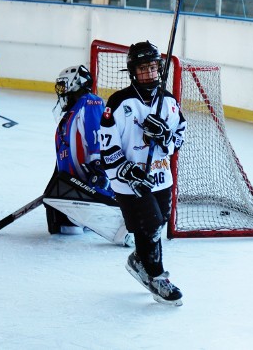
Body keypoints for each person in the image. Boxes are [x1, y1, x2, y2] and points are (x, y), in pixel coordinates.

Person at [99, 40, 186, 306]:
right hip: (130, 181)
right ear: (132, 71)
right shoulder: (119, 102)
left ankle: (140, 260)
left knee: (157, 225)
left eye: (152, 67)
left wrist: (164, 135)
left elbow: (179, 136)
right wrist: (125, 168)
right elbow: (105, 144)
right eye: (142, 68)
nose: (148, 74)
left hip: (160, 176)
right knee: (149, 223)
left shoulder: (167, 101)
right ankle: (156, 276)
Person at [46, 65, 132, 245]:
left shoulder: (90, 101)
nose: (60, 91)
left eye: (63, 85)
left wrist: (98, 168)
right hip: (71, 186)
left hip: (88, 185)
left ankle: (118, 218)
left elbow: (97, 135)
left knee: (70, 228)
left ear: (76, 82)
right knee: (62, 227)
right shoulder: (70, 112)